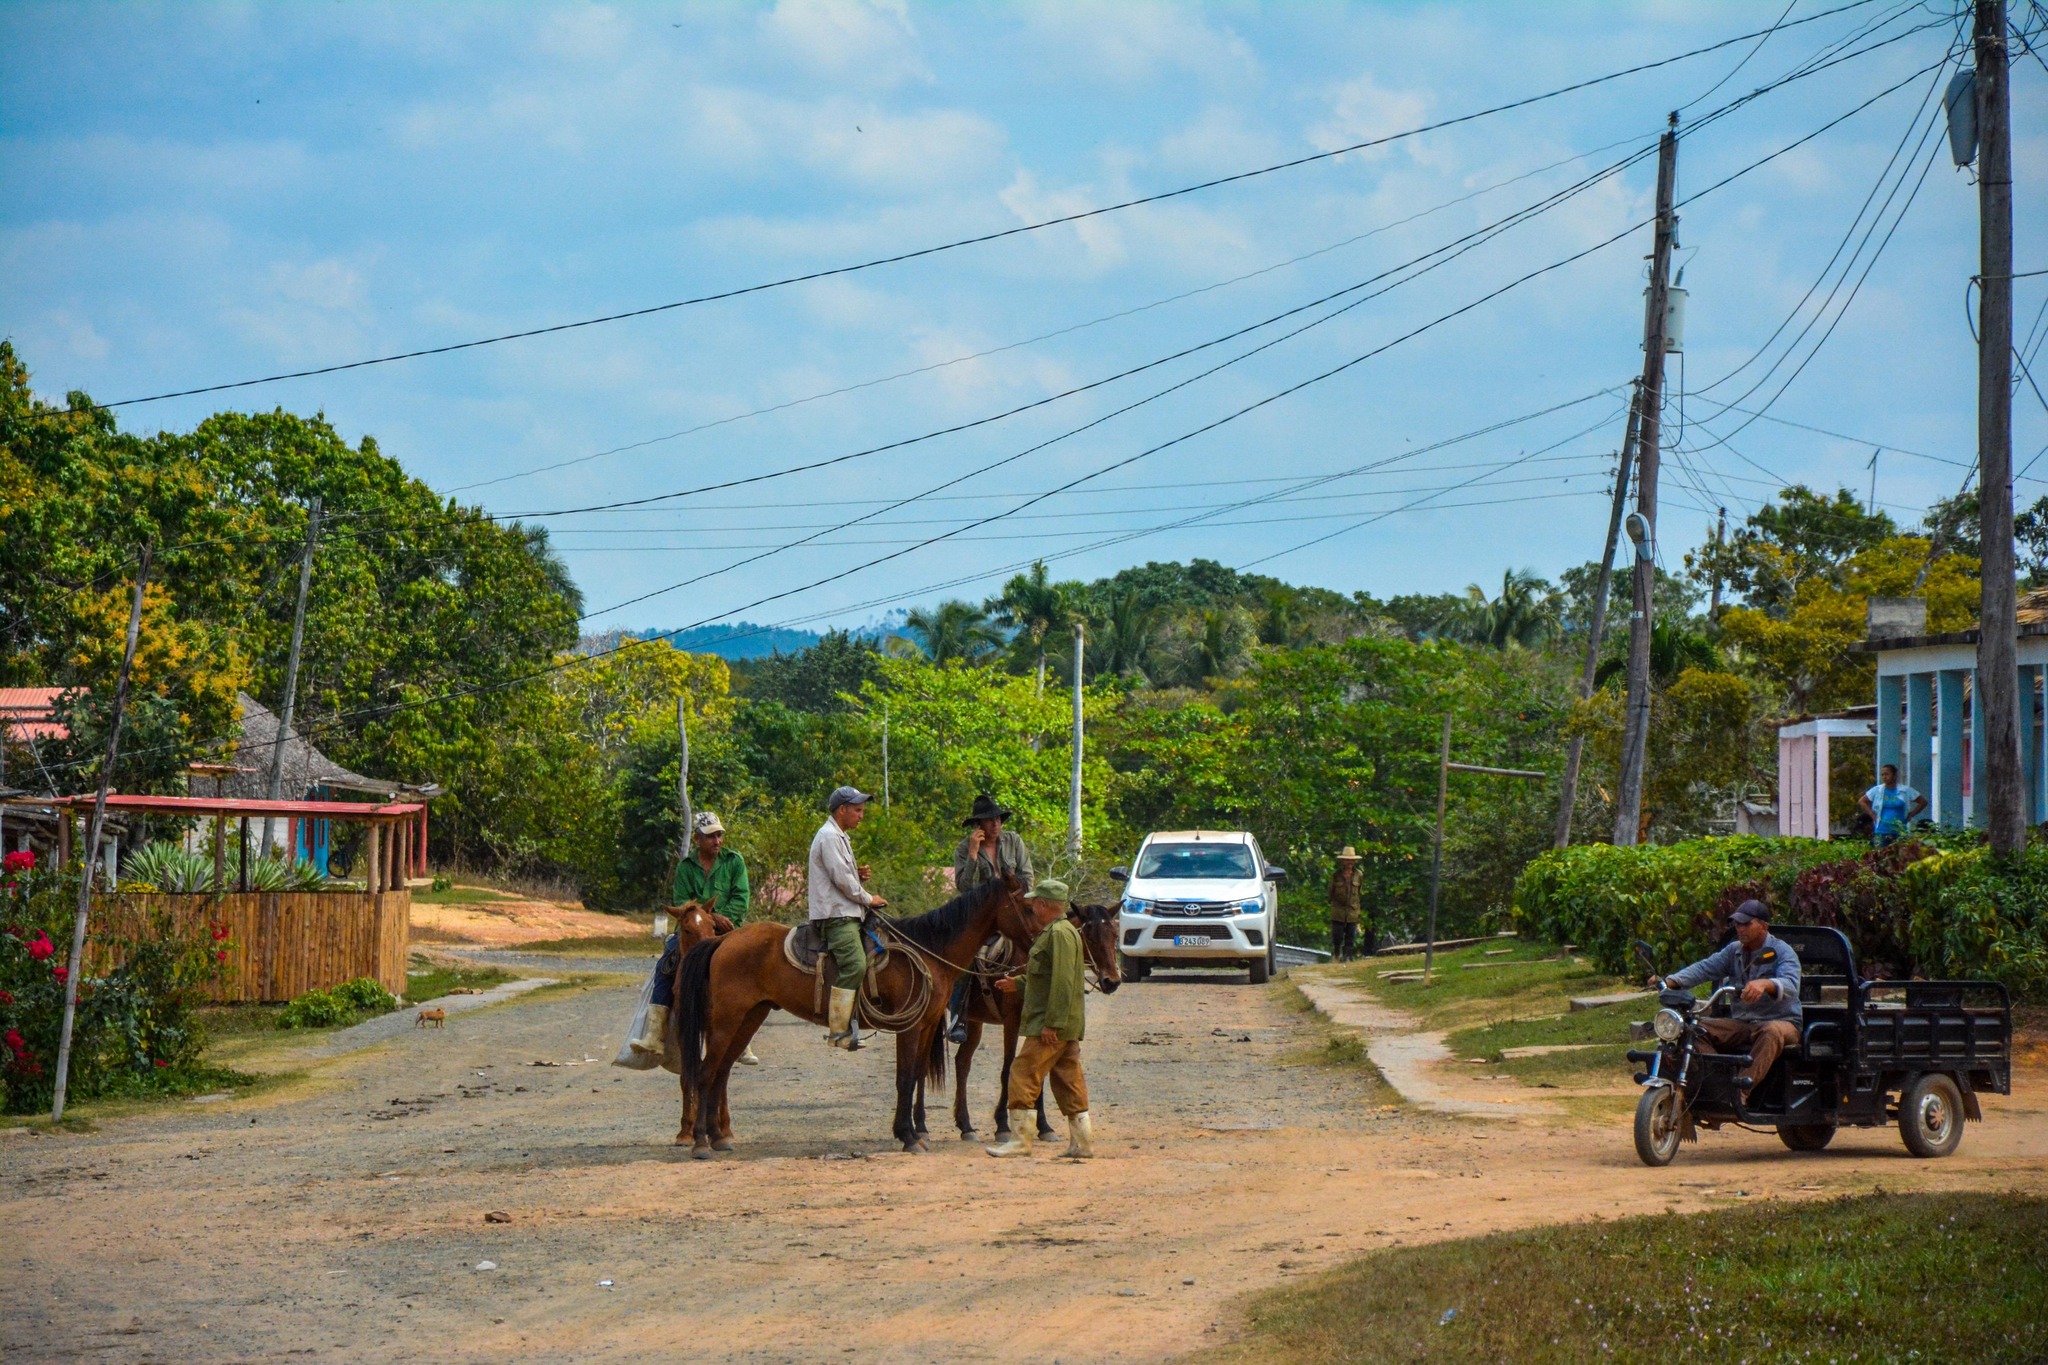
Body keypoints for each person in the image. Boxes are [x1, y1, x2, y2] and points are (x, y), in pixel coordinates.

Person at [631, 811, 755, 1064]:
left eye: (719, 835)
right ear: (698, 838)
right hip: (692, 930)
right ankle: (656, 1033)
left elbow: (741, 900)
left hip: (726, 930)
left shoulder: (734, 862)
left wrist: (719, 919)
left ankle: (744, 1041)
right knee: (666, 965)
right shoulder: (685, 868)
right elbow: (682, 903)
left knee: (749, 974)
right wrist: (709, 917)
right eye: (710, 837)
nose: (717, 841)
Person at [1648, 900, 1802, 1102]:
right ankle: (1718, 1083)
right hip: (1742, 1022)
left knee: (1771, 1031)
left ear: (1763, 926)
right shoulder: (1734, 950)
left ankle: (1740, 1092)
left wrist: (1766, 983)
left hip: (1783, 1022)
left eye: (1746, 924)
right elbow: (1705, 968)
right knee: (1694, 1029)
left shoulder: (1781, 951)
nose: (1740, 928)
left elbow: (1791, 984)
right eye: (1737, 924)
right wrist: (1672, 980)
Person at [986, 878, 1093, 1159]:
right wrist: (1018, 984)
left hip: (1052, 1024)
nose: (1031, 908)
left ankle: (1020, 1141)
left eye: (1034, 903)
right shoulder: (1063, 931)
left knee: (1021, 1073)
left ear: (1045, 905)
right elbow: (1046, 975)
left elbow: (1062, 982)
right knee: (1069, 1080)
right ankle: (1082, 1144)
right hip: (1066, 1024)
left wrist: (1051, 1025)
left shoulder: (1057, 934)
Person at [946, 793, 1035, 1043]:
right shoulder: (964, 849)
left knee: (1039, 941)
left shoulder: (1013, 841)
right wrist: (973, 854)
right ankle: (958, 1016)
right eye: (989, 820)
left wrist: (1015, 894)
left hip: (1015, 908)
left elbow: (1028, 876)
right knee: (964, 956)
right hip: (981, 916)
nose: (996, 824)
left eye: (998, 819)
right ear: (979, 825)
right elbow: (964, 888)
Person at [809, 785, 888, 1051]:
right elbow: (841, 881)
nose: (861, 816)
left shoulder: (839, 836)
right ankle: (839, 1031)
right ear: (842, 810)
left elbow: (843, 874)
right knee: (855, 964)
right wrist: (868, 898)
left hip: (846, 912)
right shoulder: (829, 837)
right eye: (857, 810)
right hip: (837, 917)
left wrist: (858, 873)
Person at [1858, 764, 1927, 847]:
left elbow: (1923, 802)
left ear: (1894, 775)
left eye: (1887, 774)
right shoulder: (1877, 790)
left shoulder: (1905, 790)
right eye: (1882, 775)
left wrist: (1911, 814)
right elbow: (1862, 801)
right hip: (1881, 831)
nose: (1884, 777)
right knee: (1879, 856)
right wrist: (1872, 814)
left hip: (1900, 832)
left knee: (1900, 856)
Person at [1327, 846, 1363, 962]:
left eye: (1351, 860)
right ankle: (1336, 954)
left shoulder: (1359, 875)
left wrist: (1358, 909)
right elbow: (1330, 892)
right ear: (1343, 861)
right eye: (1347, 860)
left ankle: (1348, 956)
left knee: (1350, 935)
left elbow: (1359, 892)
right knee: (1337, 935)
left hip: (1352, 911)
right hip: (1338, 911)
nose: (1349, 863)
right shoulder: (1336, 875)